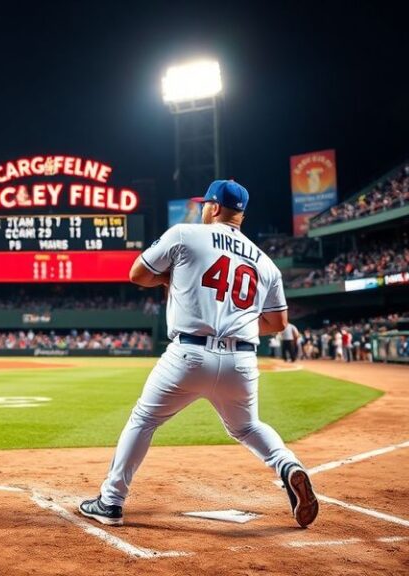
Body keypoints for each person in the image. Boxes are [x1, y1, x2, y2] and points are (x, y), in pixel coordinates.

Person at [78, 180, 318, 529]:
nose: (203, 209)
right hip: (241, 360)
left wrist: (167, 280)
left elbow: (136, 273)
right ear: (241, 215)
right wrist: (243, 325)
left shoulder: (185, 234)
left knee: (144, 420)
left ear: (215, 207)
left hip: (189, 354)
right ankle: (288, 465)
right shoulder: (266, 263)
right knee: (248, 426)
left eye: (206, 203)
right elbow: (278, 322)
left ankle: (111, 501)